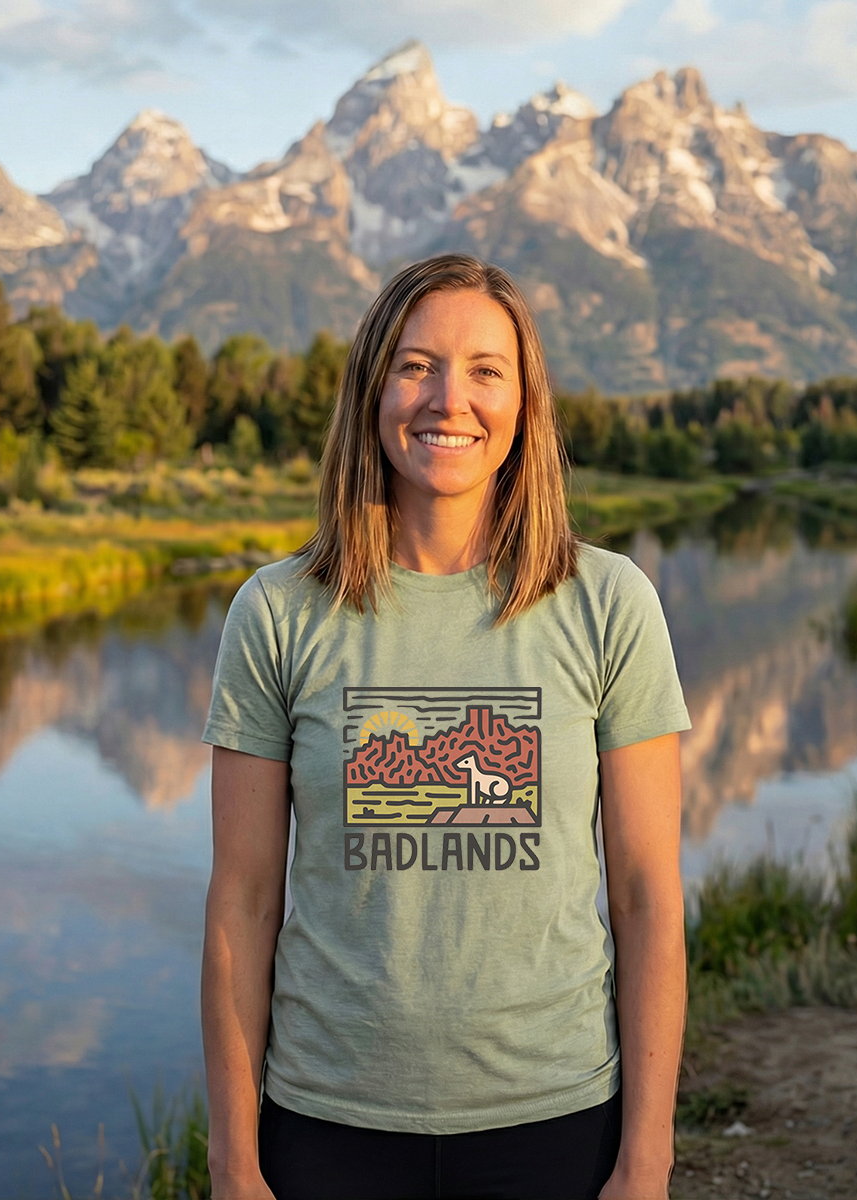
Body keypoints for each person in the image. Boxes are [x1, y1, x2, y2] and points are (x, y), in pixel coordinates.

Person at [201, 254, 690, 1200]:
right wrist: (233, 1164)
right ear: (372, 390)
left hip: (555, 1119)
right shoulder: (276, 614)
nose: (448, 399)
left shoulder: (609, 604)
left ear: (525, 402)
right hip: (325, 1123)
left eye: (484, 370)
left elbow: (644, 898)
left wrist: (647, 1159)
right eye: (416, 365)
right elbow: (242, 907)